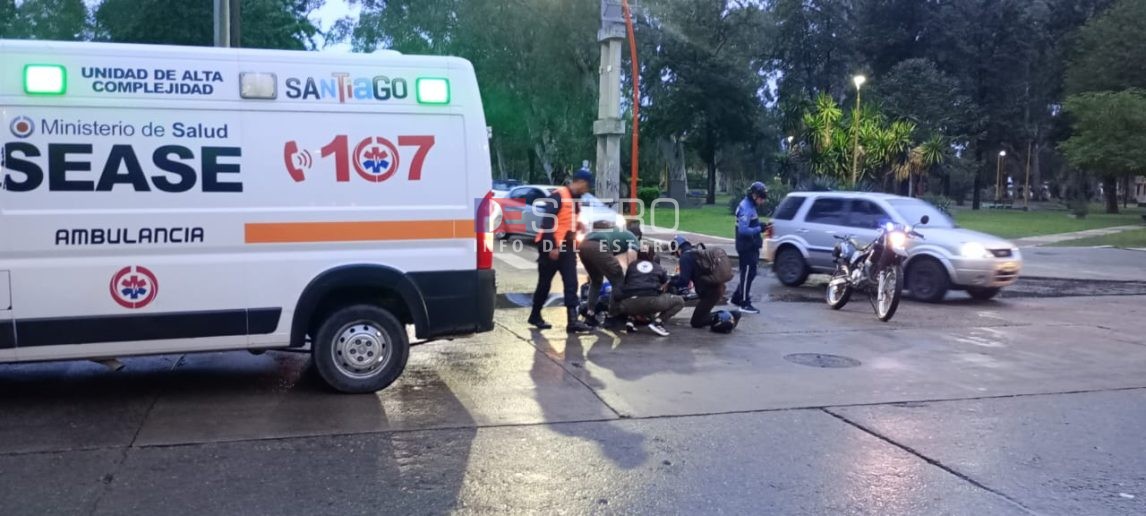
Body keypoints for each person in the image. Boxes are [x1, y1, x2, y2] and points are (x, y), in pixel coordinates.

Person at [528, 168, 594, 333]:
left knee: (571, 283)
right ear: (580, 182)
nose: (587, 191)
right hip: (550, 246)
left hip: (567, 247)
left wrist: (578, 225)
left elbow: (567, 220)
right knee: (544, 283)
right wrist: (553, 246)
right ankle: (535, 315)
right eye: (586, 186)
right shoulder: (559, 195)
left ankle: (572, 322)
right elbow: (548, 222)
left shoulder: (576, 200)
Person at [578, 219, 639, 326]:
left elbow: (607, 260)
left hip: (583, 245)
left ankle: (590, 315)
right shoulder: (633, 237)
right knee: (618, 280)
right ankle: (612, 316)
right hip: (599, 246)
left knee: (596, 281)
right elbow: (632, 256)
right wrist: (632, 276)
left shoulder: (615, 234)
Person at [619, 246, 684, 336]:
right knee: (679, 301)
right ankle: (658, 322)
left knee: (638, 296)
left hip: (627, 304)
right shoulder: (657, 267)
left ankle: (631, 319)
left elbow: (627, 282)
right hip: (650, 301)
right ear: (652, 255)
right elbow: (665, 283)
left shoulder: (631, 266)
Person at [671, 236, 727, 329]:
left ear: (678, 249)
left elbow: (684, 281)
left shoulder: (685, 257)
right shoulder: (696, 252)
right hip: (716, 288)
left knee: (697, 321)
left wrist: (671, 282)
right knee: (702, 315)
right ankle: (725, 316)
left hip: (709, 292)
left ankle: (728, 316)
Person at [731, 181, 768, 314]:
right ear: (754, 195)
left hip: (751, 245)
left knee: (750, 273)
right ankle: (744, 303)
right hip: (746, 246)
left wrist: (760, 226)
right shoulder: (746, 207)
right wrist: (759, 229)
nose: (762, 201)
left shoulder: (750, 205)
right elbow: (743, 230)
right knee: (746, 274)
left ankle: (736, 297)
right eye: (761, 198)